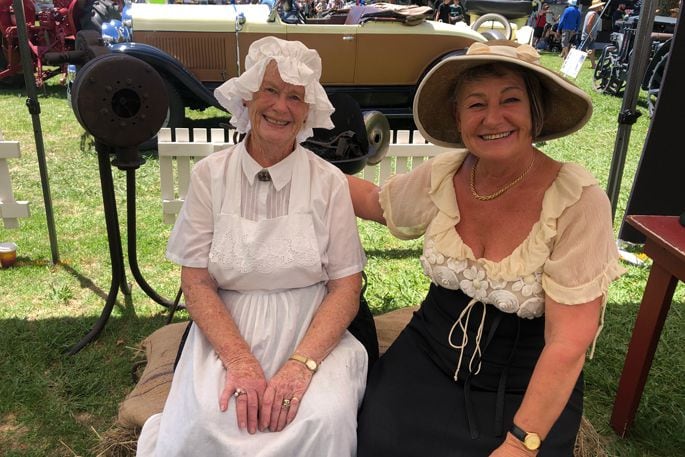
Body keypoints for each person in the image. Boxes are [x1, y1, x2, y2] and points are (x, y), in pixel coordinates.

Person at [350, 41, 624, 456]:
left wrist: (521, 443)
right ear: (459, 119)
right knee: (373, 440)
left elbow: (569, 341)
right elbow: (375, 202)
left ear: (535, 112)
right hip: (428, 355)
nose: (492, 118)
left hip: (523, 380)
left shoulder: (576, 200)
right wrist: (298, 163)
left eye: (510, 100)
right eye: (476, 105)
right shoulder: (446, 172)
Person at [136, 36, 370, 456]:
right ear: (246, 99)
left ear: (307, 112)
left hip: (311, 326)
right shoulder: (211, 175)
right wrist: (240, 363)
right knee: (211, 417)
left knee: (320, 418)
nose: (281, 107)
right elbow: (197, 281)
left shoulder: (330, 182)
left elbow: (345, 287)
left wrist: (301, 367)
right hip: (229, 325)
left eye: (295, 97)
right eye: (271, 91)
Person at [581, 1, 605, 68]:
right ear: (597, 6)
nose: (601, 7)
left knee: (592, 50)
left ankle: (593, 65)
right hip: (588, 36)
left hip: (589, 36)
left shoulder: (591, 13)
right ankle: (574, 64)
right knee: (581, 52)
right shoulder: (593, 14)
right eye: (600, 5)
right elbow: (589, 25)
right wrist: (591, 35)